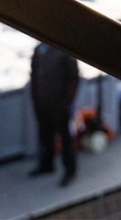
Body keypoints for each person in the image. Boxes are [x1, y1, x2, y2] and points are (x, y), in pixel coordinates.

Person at [30, 42, 79, 187]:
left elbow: (73, 79)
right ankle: (46, 165)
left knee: (65, 138)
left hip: (60, 104)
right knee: (45, 135)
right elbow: (34, 75)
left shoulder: (66, 51)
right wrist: (35, 99)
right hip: (42, 102)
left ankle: (70, 170)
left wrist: (67, 102)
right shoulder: (39, 50)